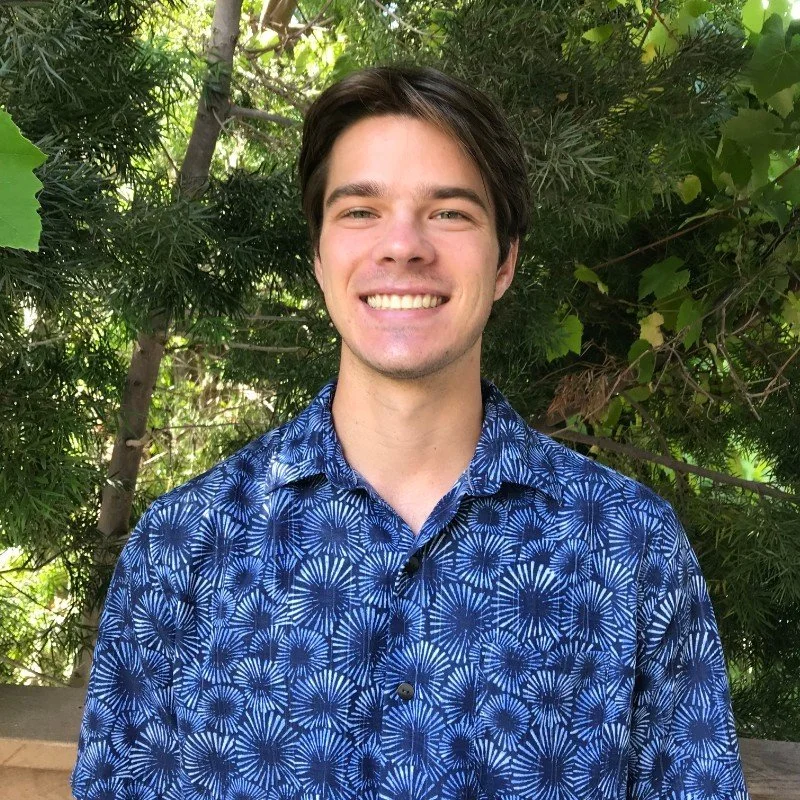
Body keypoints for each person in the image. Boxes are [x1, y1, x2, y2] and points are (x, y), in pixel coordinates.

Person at [71, 65, 750, 800]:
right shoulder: (182, 551)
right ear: (318, 256)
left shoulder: (631, 547)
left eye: (450, 213)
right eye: (361, 211)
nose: (403, 245)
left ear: (505, 261)